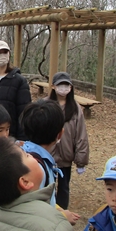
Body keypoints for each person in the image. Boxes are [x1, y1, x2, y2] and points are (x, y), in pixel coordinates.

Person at [20, 100, 80, 224]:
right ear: (60, 134)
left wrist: (58, 208)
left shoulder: (20, 154)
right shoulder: (37, 168)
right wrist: (62, 216)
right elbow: (34, 211)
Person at [47, 72, 90, 210]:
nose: (63, 88)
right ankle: (48, 211)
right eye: (60, 85)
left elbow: (80, 134)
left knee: (64, 188)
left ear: (71, 87)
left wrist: (81, 160)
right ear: (53, 86)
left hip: (66, 156)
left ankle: (63, 213)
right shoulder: (45, 104)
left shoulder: (75, 107)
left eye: (66, 85)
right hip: (48, 156)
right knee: (48, 186)